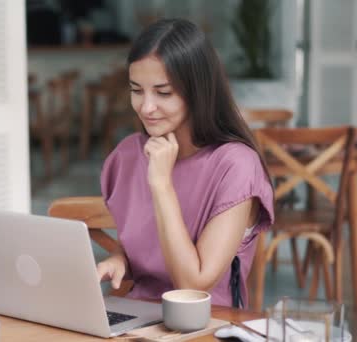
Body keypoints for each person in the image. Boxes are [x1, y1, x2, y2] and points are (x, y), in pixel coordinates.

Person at [97, 18, 274, 308]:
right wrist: (120, 260)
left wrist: (162, 184)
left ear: (198, 90)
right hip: (135, 319)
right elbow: (150, 246)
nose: (146, 107)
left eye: (163, 92)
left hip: (205, 325)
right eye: (137, 90)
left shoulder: (236, 166)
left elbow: (193, 285)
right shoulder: (128, 154)